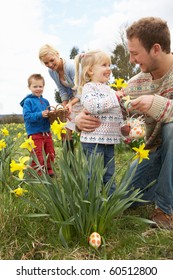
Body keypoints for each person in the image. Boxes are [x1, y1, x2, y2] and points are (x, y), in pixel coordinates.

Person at [75, 17, 173, 229]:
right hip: (154, 151)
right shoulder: (136, 83)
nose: (130, 60)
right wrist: (78, 120)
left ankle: (166, 209)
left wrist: (157, 104)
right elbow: (107, 107)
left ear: (156, 49)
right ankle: (164, 182)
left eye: (135, 53)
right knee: (125, 198)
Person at [74, 49, 123, 195]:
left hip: (109, 140)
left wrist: (123, 129)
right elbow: (92, 106)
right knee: (93, 176)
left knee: (109, 175)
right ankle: (92, 207)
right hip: (93, 141)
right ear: (90, 71)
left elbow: (116, 112)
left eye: (110, 65)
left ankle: (111, 204)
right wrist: (116, 98)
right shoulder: (88, 88)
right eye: (104, 65)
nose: (109, 69)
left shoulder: (109, 89)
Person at [38, 44, 77, 150]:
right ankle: (70, 162)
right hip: (73, 99)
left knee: (80, 127)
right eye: (46, 63)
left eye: (52, 60)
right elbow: (62, 89)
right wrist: (64, 105)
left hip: (85, 97)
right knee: (65, 127)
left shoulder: (70, 66)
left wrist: (70, 103)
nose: (50, 64)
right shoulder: (52, 71)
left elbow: (81, 90)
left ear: (57, 54)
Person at [20, 74, 55, 176]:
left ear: (43, 86)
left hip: (47, 132)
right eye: (35, 86)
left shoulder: (45, 101)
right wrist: (40, 114)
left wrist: (53, 115)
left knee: (50, 152)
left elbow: (49, 116)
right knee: (37, 154)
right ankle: (37, 172)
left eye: (40, 86)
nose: (38, 89)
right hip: (35, 133)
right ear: (29, 87)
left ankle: (49, 170)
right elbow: (27, 117)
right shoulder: (28, 101)